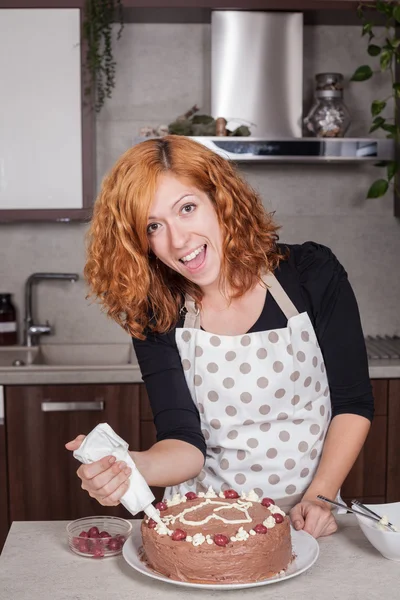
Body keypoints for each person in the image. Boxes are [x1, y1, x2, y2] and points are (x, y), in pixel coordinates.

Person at [66, 135, 374, 539]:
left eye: (187, 209)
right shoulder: (158, 314)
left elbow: (353, 403)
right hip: (202, 526)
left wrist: (319, 497)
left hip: (306, 518)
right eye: (153, 226)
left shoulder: (311, 274)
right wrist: (129, 467)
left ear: (221, 199)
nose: (178, 241)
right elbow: (183, 443)